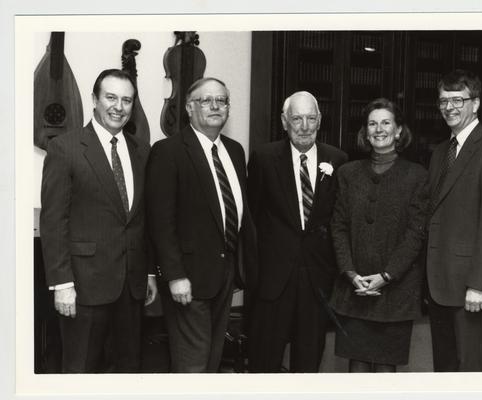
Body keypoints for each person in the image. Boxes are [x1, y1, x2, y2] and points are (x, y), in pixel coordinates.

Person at [40, 69, 157, 373]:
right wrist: (62, 284)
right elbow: (54, 221)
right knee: (81, 372)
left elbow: (142, 219)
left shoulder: (141, 150)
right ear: (94, 99)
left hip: (131, 289)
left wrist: (148, 274)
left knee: (127, 372)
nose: (119, 106)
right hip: (83, 288)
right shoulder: (65, 148)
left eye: (127, 100)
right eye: (111, 97)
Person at [145, 77, 256, 373]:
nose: (215, 106)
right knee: (192, 363)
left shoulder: (234, 151)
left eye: (222, 100)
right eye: (206, 100)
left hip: (225, 275)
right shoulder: (168, 151)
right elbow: (160, 221)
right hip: (187, 279)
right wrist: (174, 275)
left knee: (212, 359)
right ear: (189, 108)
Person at [247, 91, 348, 373]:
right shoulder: (264, 158)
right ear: (284, 121)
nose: (304, 126)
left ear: (319, 120)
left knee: (309, 361)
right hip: (273, 280)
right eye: (297, 118)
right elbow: (252, 220)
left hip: (316, 280)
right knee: (264, 362)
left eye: (310, 118)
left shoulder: (338, 160)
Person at [329, 98, 428, 373]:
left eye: (386, 122)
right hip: (354, 289)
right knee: (356, 369)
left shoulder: (417, 176)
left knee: (386, 371)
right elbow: (338, 228)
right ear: (365, 131)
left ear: (398, 131)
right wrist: (350, 273)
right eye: (372, 123)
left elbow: (415, 235)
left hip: (396, 292)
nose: (379, 129)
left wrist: (386, 276)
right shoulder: (348, 173)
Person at [426, 69, 482, 372]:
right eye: (443, 101)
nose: (449, 107)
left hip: (472, 290)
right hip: (440, 285)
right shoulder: (440, 152)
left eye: (457, 100)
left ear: (475, 104)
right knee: (446, 370)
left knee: (472, 372)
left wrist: (478, 285)